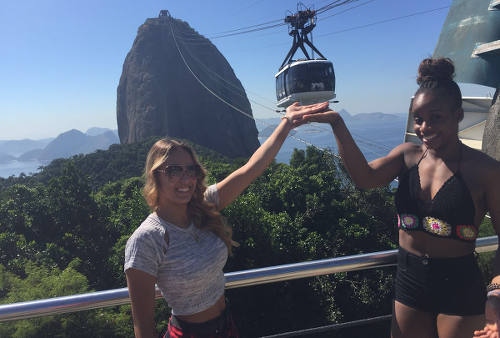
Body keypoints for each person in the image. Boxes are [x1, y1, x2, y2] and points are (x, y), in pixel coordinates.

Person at [300, 58, 500, 338]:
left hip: (460, 289)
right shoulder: (407, 156)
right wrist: (337, 124)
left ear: (458, 114)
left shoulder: (487, 171)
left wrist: (496, 292)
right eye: (418, 119)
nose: (424, 127)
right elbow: (365, 178)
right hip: (410, 283)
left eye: (436, 117)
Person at [124, 101, 329, 338]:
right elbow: (143, 327)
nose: (185, 179)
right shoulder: (147, 239)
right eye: (173, 170)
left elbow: (252, 168)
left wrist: (287, 122)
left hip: (227, 326)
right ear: (155, 175)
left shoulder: (204, 204)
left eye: (190, 170)